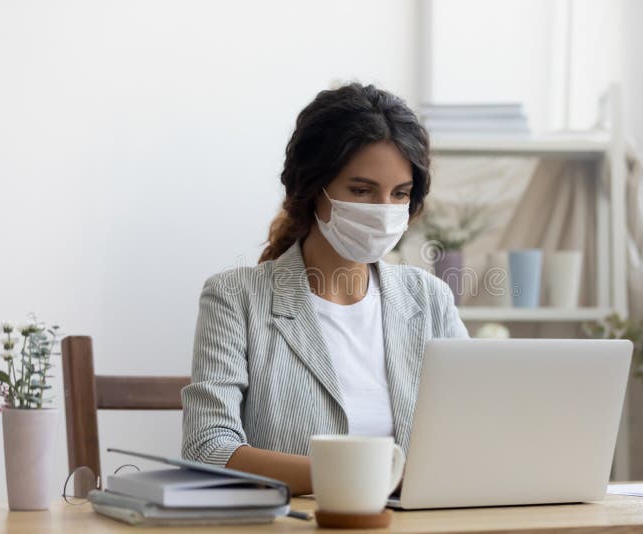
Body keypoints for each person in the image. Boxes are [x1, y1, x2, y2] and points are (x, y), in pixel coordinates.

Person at [181, 83, 467, 495]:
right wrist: (361, 477)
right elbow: (207, 448)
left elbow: (472, 432)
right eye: (361, 190)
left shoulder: (431, 299)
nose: (383, 209)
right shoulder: (236, 298)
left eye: (399, 194)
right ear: (313, 188)